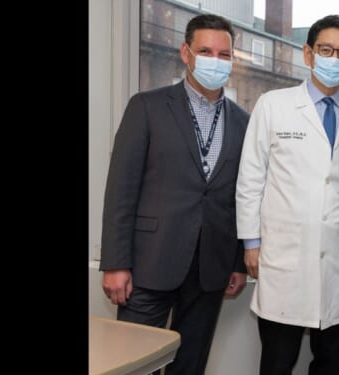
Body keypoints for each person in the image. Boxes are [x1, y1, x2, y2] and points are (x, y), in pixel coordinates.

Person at [99, 14, 249, 375]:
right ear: (186, 52)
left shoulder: (244, 121)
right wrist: (116, 262)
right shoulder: (147, 106)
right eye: (206, 51)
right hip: (148, 264)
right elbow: (121, 188)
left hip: (210, 268)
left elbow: (243, 196)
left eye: (224, 54)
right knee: (132, 364)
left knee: (190, 365)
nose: (216, 60)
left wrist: (238, 262)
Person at [235, 14, 339, 375]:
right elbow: (251, 177)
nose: (334, 59)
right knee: (277, 362)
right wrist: (251, 243)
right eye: (326, 49)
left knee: (329, 364)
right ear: (308, 54)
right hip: (284, 260)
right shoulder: (273, 105)